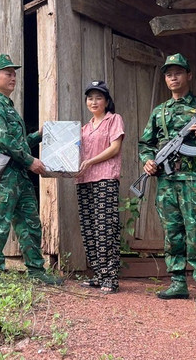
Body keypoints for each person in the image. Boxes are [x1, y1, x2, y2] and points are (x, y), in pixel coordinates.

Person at [138, 53, 196, 307]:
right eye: (168, 74)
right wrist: (147, 160)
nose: (173, 77)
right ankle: (177, 282)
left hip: (194, 177)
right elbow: (146, 143)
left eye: (178, 72)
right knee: (172, 231)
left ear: (188, 75)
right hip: (166, 179)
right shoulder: (159, 111)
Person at [0, 54, 62, 285]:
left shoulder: (9, 107)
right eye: (8, 73)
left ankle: (36, 271)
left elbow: (18, 142)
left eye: (14, 73)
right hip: (4, 174)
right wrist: (30, 161)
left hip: (19, 175)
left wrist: (40, 135)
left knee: (30, 223)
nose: (13, 77)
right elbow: (2, 140)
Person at [75, 81, 125, 294]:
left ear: (106, 101)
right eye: (90, 98)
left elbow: (115, 148)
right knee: (89, 228)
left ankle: (110, 277)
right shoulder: (84, 129)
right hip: (84, 179)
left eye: (98, 97)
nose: (94, 102)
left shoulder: (114, 120)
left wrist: (91, 161)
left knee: (105, 227)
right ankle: (98, 274)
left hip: (105, 178)